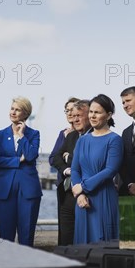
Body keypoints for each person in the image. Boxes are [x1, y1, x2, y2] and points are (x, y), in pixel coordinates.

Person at [71, 94, 123, 244]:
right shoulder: (82, 140)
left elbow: (110, 170)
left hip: (103, 197)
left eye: (97, 112)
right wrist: (79, 194)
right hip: (82, 199)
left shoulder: (114, 140)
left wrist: (83, 187)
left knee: (103, 243)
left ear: (108, 115)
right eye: (91, 112)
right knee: (82, 244)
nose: (92, 116)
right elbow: (75, 170)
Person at [0, 97, 42, 246]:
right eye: (12, 108)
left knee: (26, 236)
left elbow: (32, 155)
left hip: (28, 189)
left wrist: (22, 135)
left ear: (25, 113)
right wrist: (17, 161)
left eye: (17, 109)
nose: (13, 112)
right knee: (5, 237)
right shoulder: (1, 134)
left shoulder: (33, 134)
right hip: (4, 189)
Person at [52, 99, 90, 245]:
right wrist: (66, 169)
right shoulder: (71, 136)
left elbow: (85, 162)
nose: (75, 119)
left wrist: (69, 157)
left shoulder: (95, 136)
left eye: (78, 115)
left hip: (84, 192)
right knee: (65, 238)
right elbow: (55, 157)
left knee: (82, 238)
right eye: (72, 116)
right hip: (67, 192)